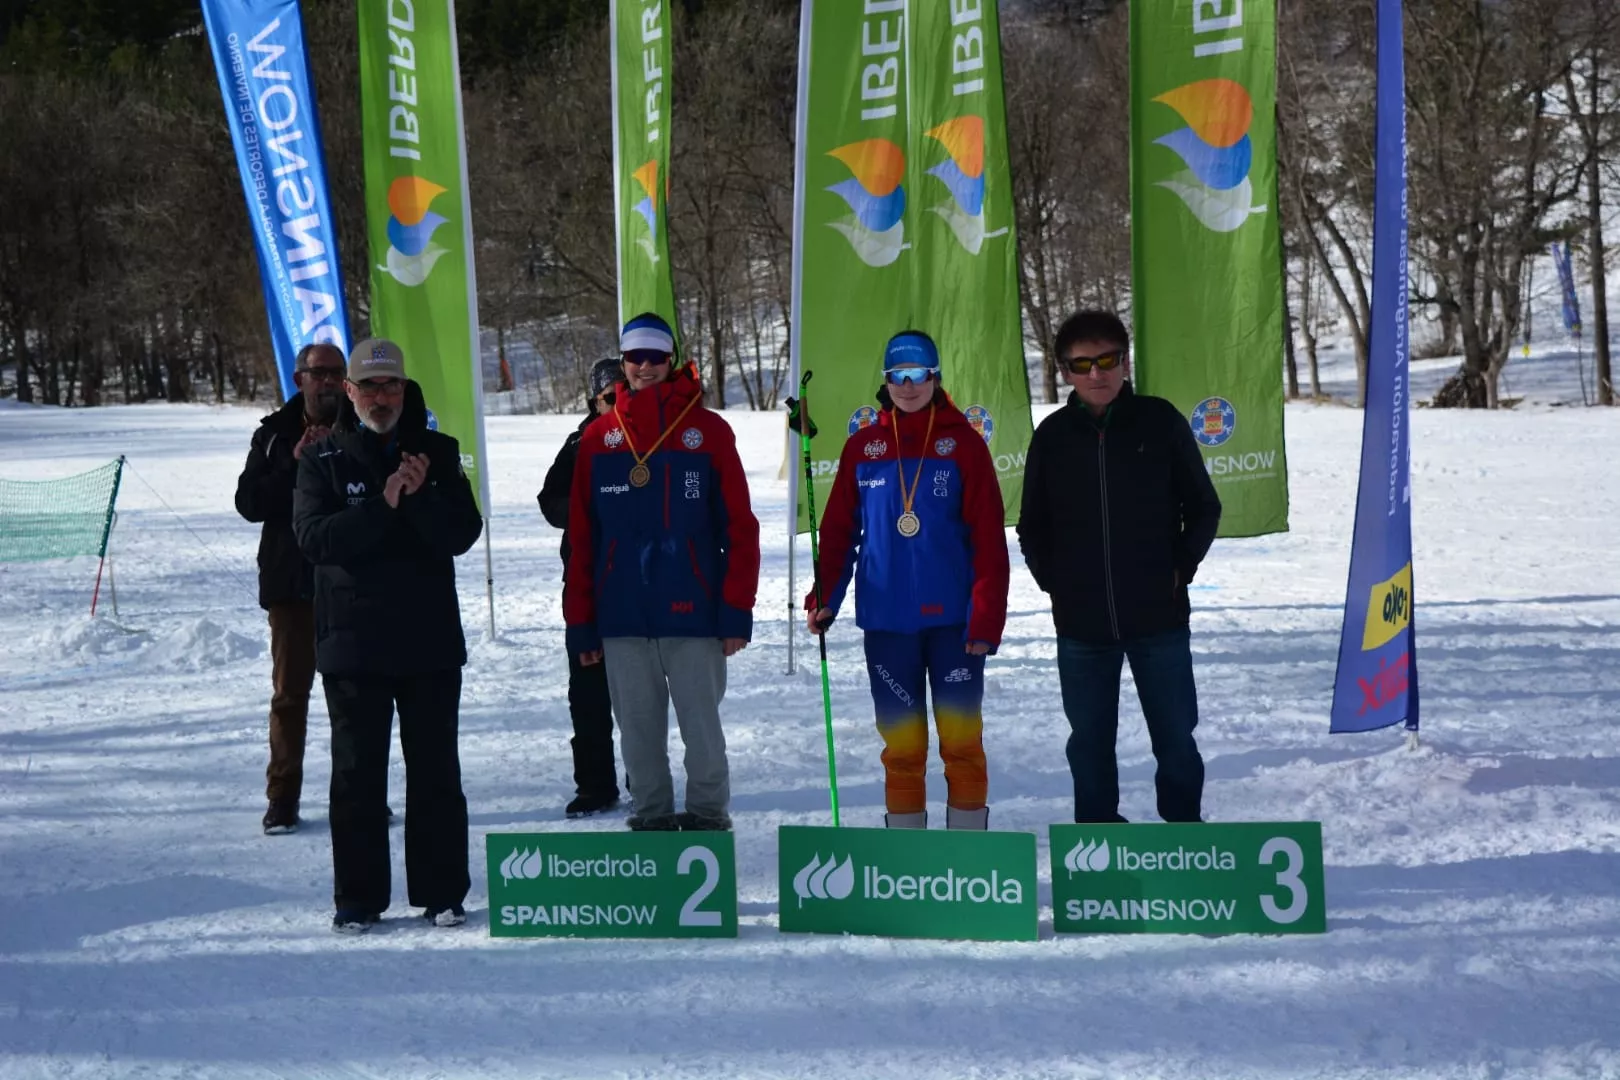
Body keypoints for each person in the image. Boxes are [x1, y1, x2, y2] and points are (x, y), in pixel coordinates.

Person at [293, 338, 484, 933]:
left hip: (427, 644)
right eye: (368, 387)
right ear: (348, 393)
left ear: (405, 390)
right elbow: (315, 540)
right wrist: (384, 503)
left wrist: (423, 494)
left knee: (435, 773)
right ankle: (358, 898)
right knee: (356, 776)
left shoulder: (439, 452)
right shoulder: (321, 459)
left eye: (390, 386)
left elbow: (461, 533)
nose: (380, 397)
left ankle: (443, 892)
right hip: (353, 645)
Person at [1016, 310, 1222, 824]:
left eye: (1106, 360)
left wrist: (1179, 571)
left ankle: (1184, 838)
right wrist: (1056, 585)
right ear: (1064, 371)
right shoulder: (1053, 436)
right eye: (1081, 364)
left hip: (1159, 620)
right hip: (1082, 627)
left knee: (1175, 739)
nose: (1096, 373)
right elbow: (1031, 525)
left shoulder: (1161, 421)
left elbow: (1203, 507)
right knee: (1088, 745)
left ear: (1125, 361)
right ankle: (1098, 843)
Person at [805, 330, 1010, 830]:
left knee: (962, 745)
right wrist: (825, 596)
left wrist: (985, 619)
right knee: (901, 748)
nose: (908, 385)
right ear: (886, 381)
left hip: (955, 627)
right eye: (897, 376)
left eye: (918, 375)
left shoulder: (963, 444)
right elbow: (837, 534)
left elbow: (988, 540)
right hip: (888, 623)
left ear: (935, 378)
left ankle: (968, 858)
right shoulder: (864, 448)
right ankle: (909, 866)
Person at [563, 313, 760, 832]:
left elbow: (740, 526)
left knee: (703, 735)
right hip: (622, 616)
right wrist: (581, 621)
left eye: (655, 356)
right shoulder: (598, 439)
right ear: (622, 362)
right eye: (635, 357)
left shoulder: (708, 432)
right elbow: (583, 539)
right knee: (638, 737)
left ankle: (708, 819)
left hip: (693, 614)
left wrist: (736, 609)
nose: (645, 367)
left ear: (671, 359)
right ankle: (650, 824)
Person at [234, 342, 346, 835]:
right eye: (318, 373)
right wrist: (295, 467)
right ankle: (282, 797)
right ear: (299, 378)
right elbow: (248, 502)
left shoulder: (363, 425)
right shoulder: (275, 434)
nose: (327, 381)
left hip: (348, 580)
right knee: (290, 696)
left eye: (335, 373)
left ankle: (359, 791)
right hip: (291, 582)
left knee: (355, 694)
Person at [538, 357, 625, 819]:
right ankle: (594, 785)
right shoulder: (579, 442)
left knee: (639, 697)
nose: (617, 404)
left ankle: (647, 781)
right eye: (608, 398)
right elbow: (548, 502)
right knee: (587, 694)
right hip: (588, 583)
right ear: (594, 401)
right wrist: (588, 508)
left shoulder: (653, 436)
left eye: (623, 394)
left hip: (640, 584)